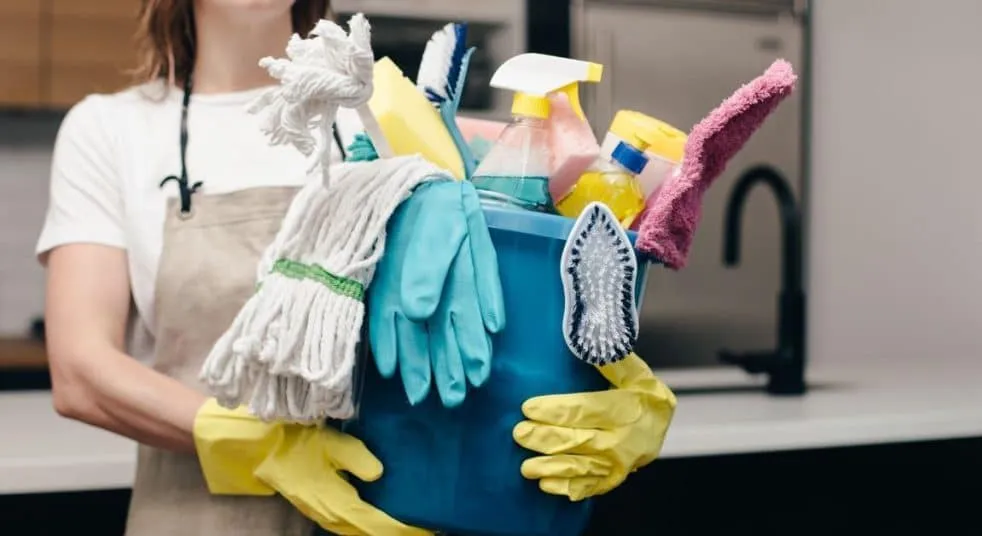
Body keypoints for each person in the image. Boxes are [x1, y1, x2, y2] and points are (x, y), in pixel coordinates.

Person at [37, 1, 676, 535]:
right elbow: (81, 371)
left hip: (393, 505)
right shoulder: (111, 130)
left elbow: (521, 299)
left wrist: (625, 394)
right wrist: (262, 444)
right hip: (197, 515)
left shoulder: (390, 122)